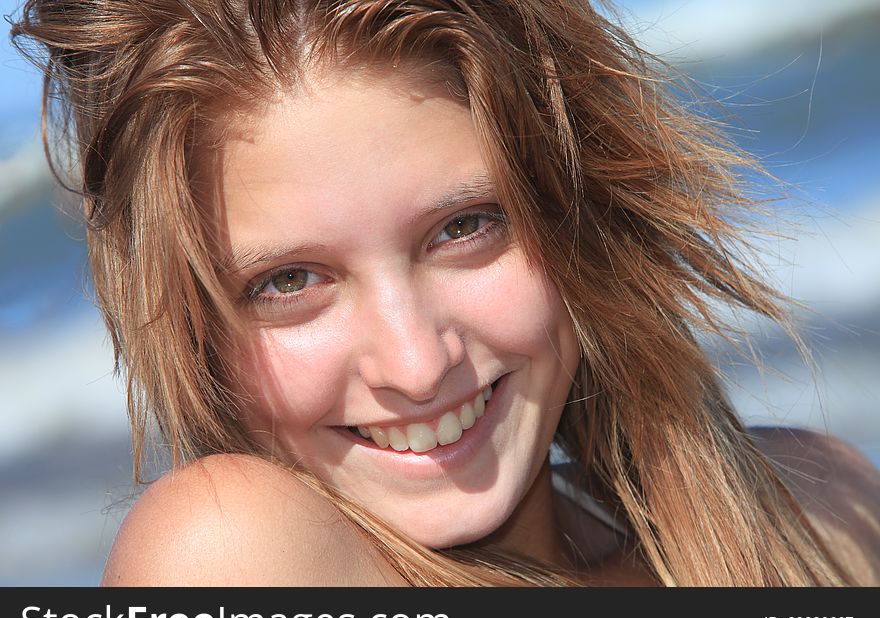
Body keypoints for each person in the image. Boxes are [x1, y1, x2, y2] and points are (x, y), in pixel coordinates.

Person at [11, 0, 879, 586]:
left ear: (574, 207)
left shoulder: (817, 512)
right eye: (288, 281)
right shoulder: (230, 555)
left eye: (465, 227)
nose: (419, 365)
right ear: (197, 330)